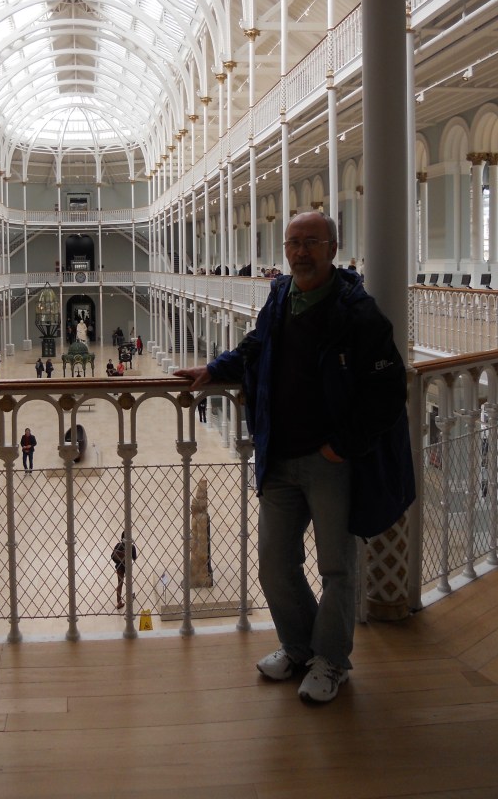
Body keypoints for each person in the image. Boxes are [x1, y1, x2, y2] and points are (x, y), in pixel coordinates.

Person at [174, 211, 415, 704]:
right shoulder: (281, 295)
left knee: (336, 568)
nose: (300, 252)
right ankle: (301, 646)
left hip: (330, 462)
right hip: (280, 456)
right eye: (293, 243)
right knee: (274, 563)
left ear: (332, 249)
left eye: (311, 242)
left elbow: (388, 391)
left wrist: (341, 446)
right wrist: (215, 369)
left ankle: (332, 660)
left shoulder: (359, 312)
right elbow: (256, 345)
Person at [111, 531, 137, 610]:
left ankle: (119, 602)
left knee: (120, 583)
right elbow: (134, 558)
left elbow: (112, 556)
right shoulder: (132, 547)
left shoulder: (118, 545)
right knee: (129, 582)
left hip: (119, 567)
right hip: (128, 567)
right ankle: (130, 596)